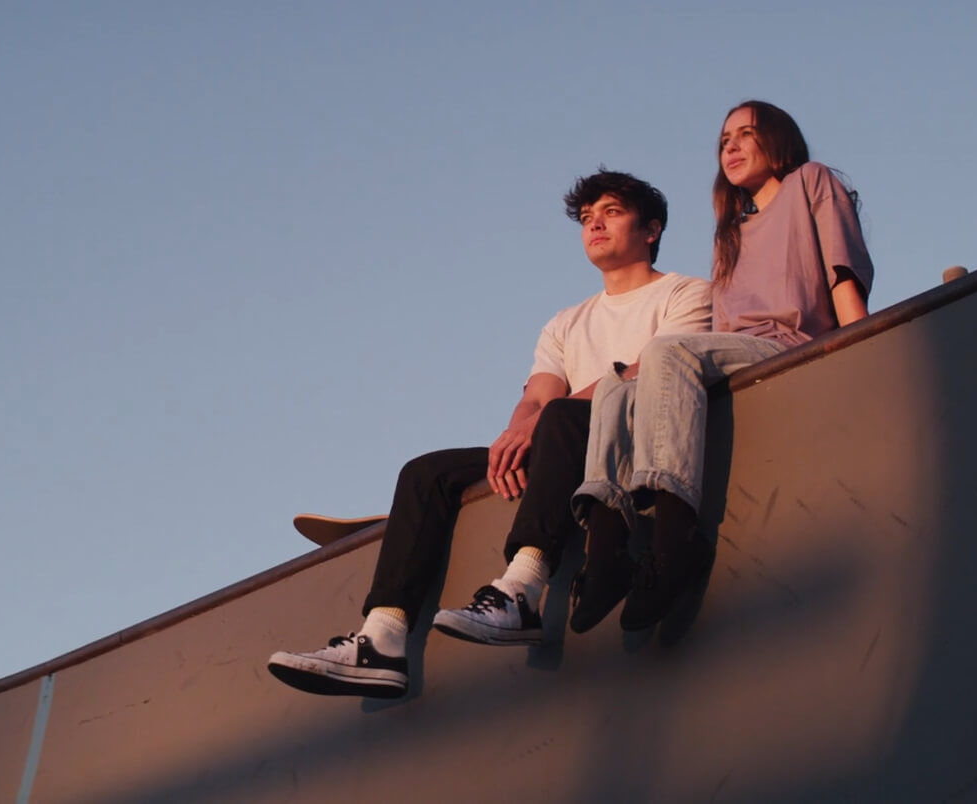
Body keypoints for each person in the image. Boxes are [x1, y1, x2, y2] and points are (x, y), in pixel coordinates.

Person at [267, 170, 713, 698]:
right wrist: (515, 433)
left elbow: (644, 373)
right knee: (428, 472)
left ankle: (521, 592)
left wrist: (544, 422)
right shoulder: (566, 322)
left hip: (631, 445)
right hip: (561, 440)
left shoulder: (687, 292)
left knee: (562, 419)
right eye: (587, 219)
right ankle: (382, 640)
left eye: (611, 213)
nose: (594, 225)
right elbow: (537, 395)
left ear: (652, 229)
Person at [570, 100, 875, 634]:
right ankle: (607, 550)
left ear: (777, 139)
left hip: (790, 343)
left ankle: (674, 542)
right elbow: (720, 331)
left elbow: (841, 270)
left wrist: (862, 348)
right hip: (730, 358)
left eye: (744, 135)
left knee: (668, 349)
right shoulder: (730, 230)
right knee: (616, 387)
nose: (729, 147)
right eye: (723, 140)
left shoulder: (811, 181)